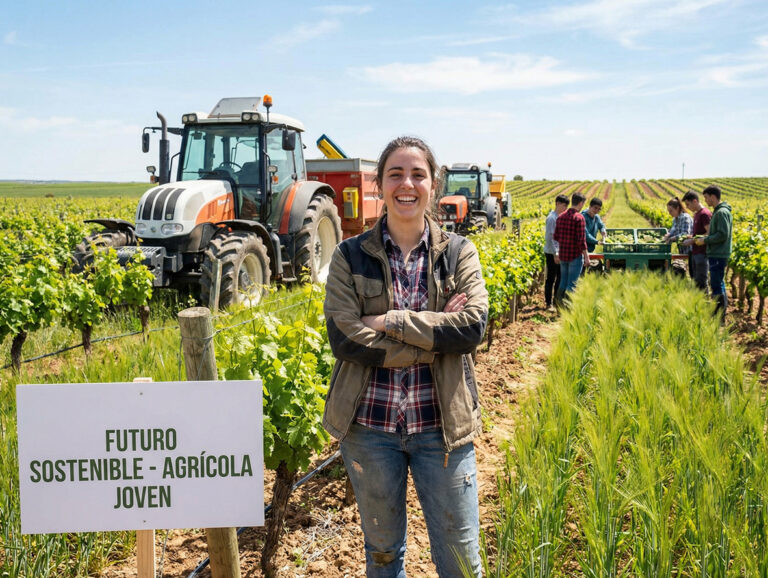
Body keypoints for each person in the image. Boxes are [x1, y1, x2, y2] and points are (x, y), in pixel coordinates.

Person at [323, 135, 488, 577]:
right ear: (380, 184)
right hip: (370, 430)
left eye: (418, 174)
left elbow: (471, 327)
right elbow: (344, 338)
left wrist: (389, 321)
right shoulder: (348, 255)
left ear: (433, 184)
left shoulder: (458, 253)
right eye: (395, 173)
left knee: (460, 560)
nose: (407, 183)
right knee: (381, 553)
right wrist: (433, 335)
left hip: (442, 430)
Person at [689, 185, 732, 322]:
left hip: (718, 254)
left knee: (716, 284)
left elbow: (722, 234)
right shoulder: (719, 212)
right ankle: (720, 314)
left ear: (713, 197)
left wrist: (705, 240)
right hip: (716, 253)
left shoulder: (721, 213)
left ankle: (719, 316)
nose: (706, 201)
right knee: (718, 283)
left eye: (706, 198)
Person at [553, 192, 590, 304]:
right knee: (572, 284)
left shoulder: (560, 217)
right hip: (575, 256)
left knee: (563, 281)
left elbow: (556, 236)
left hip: (563, 255)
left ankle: (559, 306)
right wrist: (586, 256)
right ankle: (567, 308)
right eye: (583, 203)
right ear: (580, 203)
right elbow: (581, 240)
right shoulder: (579, 218)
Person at [681, 190, 711, 292]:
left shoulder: (704, 214)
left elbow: (709, 233)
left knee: (701, 282)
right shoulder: (697, 214)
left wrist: (692, 241)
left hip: (702, 253)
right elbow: (700, 233)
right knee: (696, 281)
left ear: (695, 201)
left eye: (688, 204)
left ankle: (704, 305)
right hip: (695, 252)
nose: (687, 207)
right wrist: (691, 237)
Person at [544, 194, 569, 311]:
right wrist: (556, 253)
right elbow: (551, 237)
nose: (565, 208)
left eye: (566, 206)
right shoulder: (552, 218)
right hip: (552, 253)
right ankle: (549, 303)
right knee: (551, 278)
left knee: (559, 277)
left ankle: (556, 301)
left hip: (558, 252)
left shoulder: (559, 217)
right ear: (557, 203)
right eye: (563, 206)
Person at [662, 197, 693, 276]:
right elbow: (672, 231)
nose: (670, 213)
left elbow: (685, 234)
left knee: (693, 272)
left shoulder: (685, 217)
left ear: (678, 208)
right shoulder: (675, 219)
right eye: (668, 211)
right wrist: (667, 235)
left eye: (671, 211)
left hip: (691, 249)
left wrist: (672, 238)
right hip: (683, 249)